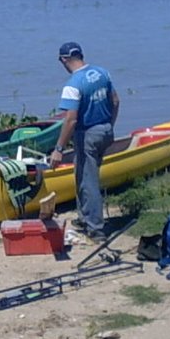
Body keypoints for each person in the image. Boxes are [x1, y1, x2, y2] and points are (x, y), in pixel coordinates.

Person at [49, 42, 120, 243]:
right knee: (81, 174)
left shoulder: (73, 85)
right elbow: (115, 101)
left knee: (89, 182)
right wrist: (109, 126)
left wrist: (59, 149)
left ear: (64, 60)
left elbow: (70, 120)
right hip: (105, 130)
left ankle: (96, 229)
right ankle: (84, 218)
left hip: (87, 135)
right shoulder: (102, 73)